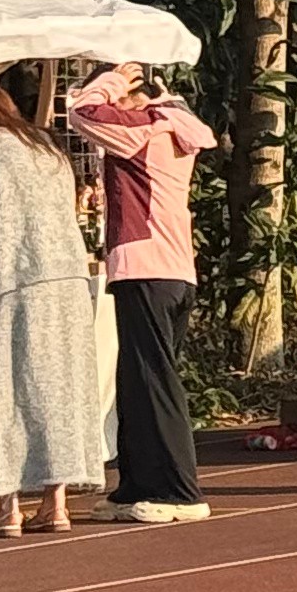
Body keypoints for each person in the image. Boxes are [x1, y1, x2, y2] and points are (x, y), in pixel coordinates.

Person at [0, 77, 104, 536]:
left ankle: (7, 506)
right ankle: (57, 503)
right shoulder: (46, 147)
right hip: (68, 279)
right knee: (61, 390)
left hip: (12, 280)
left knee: (6, 391)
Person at [66, 65, 215, 522]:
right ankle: (136, 484)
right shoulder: (176, 121)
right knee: (135, 380)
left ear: (134, 94)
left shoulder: (146, 125)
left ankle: (179, 492)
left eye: (119, 100)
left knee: (153, 380)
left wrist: (113, 79)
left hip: (146, 265)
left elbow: (82, 112)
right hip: (170, 268)